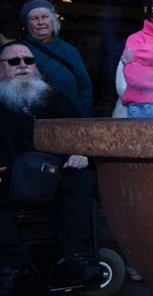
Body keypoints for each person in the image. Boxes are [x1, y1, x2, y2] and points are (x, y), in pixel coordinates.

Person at [0, 41, 104, 294]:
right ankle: (12, 265)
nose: (23, 66)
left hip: (52, 175)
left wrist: (81, 153)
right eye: (14, 62)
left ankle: (70, 258)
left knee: (82, 179)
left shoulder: (53, 96)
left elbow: (81, 131)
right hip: (8, 176)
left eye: (29, 60)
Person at [19, 0, 93, 118]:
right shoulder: (19, 50)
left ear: (53, 20)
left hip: (70, 120)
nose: (40, 22)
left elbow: (84, 86)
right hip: (34, 120)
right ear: (27, 24)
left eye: (45, 17)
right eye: (34, 18)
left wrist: (83, 113)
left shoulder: (70, 51)